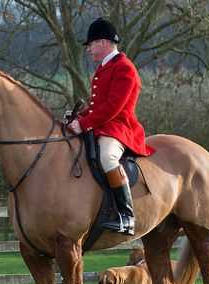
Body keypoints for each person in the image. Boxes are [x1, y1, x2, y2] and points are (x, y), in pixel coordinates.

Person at [68, 17, 154, 235]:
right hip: (102, 125)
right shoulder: (105, 68)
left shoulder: (125, 68)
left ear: (104, 42)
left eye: (91, 45)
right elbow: (98, 105)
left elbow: (113, 107)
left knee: (107, 157)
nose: (89, 50)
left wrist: (84, 123)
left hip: (118, 127)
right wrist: (78, 117)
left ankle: (127, 216)